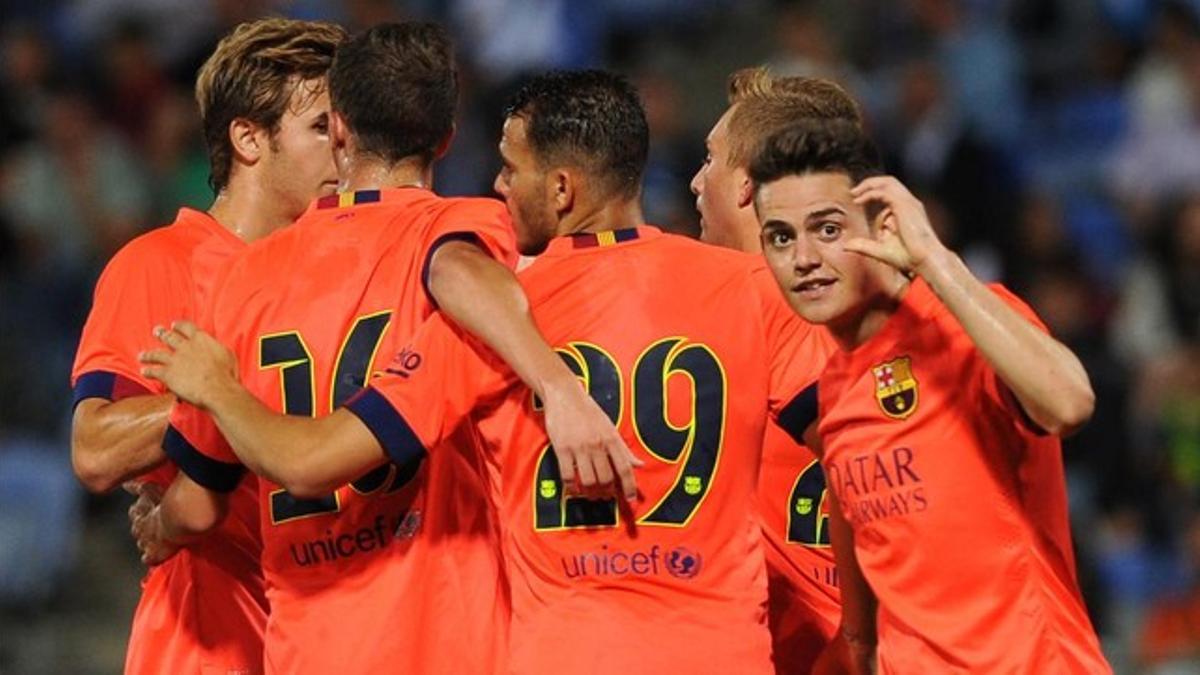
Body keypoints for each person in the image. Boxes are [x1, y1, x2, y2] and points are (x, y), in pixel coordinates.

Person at [138, 69, 829, 675]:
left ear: (561, 189)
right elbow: (859, 445)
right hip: (726, 656)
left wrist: (219, 390)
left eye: (510, 169)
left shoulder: (494, 326)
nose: (498, 188)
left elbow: (311, 459)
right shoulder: (747, 292)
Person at [131, 26, 636, 675]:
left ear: (339, 128)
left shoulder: (243, 279)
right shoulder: (469, 229)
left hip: (312, 645)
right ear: (448, 135)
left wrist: (161, 525)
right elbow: (460, 271)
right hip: (455, 639)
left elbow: (199, 505)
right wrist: (559, 384)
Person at [750, 120, 1111, 673]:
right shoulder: (837, 391)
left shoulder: (965, 324)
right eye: (780, 236)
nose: (802, 258)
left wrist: (933, 261)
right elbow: (865, 615)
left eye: (826, 230)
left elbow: (1070, 403)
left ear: (882, 226)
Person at [69, 18, 346, 674]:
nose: (344, 148)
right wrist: (226, 392)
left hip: (326, 628)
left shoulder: (342, 268)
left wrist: (229, 391)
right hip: (208, 635)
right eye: (320, 128)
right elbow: (96, 446)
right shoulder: (161, 262)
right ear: (248, 138)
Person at [691, 66, 855, 673]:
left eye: (709, 159)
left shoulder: (751, 295)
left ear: (746, 184)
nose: (694, 181)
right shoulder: (867, 306)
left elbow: (864, 469)